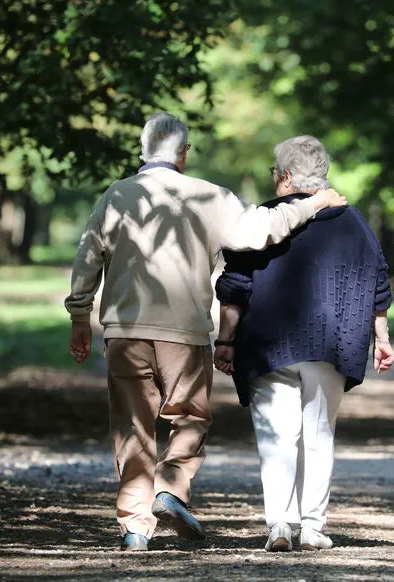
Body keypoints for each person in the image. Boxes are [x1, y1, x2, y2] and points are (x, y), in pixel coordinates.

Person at [64, 113, 347, 551]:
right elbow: (258, 233)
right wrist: (312, 204)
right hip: (185, 333)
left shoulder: (117, 195)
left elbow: (88, 257)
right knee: (190, 417)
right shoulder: (208, 197)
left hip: (125, 331)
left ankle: (136, 528)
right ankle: (171, 489)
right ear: (184, 153)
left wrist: (79, 316)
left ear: (143, 149)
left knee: (132, 426)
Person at [214, 135, 394, 552]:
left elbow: (235, 286)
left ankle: (279, 524)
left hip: (267, 344)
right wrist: (381, 337)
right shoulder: (353, 221)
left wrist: (225, 341)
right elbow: (378, 281)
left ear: (288, 177)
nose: (274, 179)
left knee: (277, 433)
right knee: (318, 433)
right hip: (331, 345)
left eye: (275, 173)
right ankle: (313, 527)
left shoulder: (263, 220)